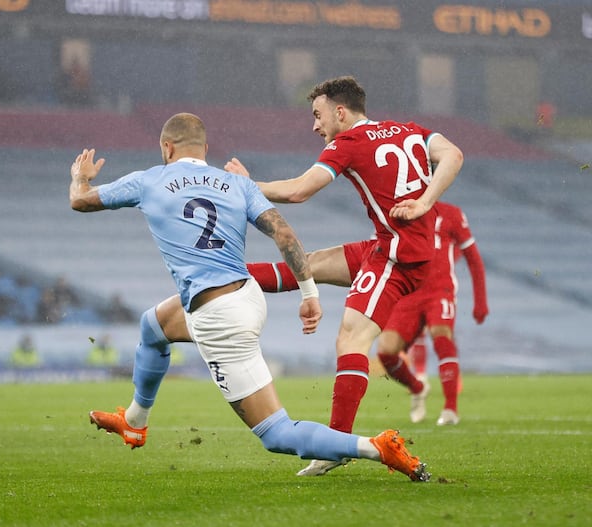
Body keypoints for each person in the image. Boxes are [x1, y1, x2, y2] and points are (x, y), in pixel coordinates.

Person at [69, 112, 430, 481]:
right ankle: (135, 421)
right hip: (246, 296)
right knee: (153, 327)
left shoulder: (148, 180)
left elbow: (80, 201)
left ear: (166, 147)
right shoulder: (233, 183)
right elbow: (285, 236)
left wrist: (80, 177)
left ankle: (375, 446)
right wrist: (309, 293)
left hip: (218, 318)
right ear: (206, 149)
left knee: (277, 434)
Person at [220, 76, 463, 476]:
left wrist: (245, 186)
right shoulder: (410, 130)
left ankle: (336, 445)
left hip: (399, 256)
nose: (315, 126)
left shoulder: (349, 143)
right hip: (388, 246)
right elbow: (453, 154)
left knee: (351, 336)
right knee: (308, 264)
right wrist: (424, 201)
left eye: (318, 115)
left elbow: (299, 191)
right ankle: (225, 275)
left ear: (340, 111)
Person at [376, 201, 488, 426]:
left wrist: (480, 301)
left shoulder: (451, 214)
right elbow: (379, 252)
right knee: (386, 351)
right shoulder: (396, 211)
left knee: (441, 335)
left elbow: (473, 257)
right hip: (407, 292)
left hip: (440, 290)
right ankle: (418, 387)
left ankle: (450, 409)